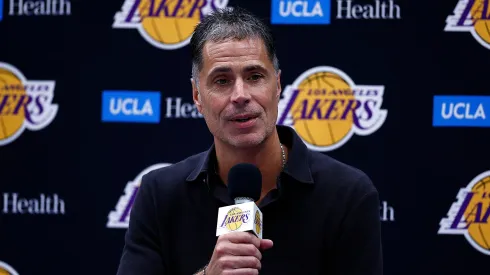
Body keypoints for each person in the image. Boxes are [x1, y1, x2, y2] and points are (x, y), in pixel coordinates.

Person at [116, 7, 383, 275]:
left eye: (255, 77)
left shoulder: (349, 194)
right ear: (197, 95)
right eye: (222, 81)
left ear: (277, 85)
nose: (240, 95)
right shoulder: (158, 195)